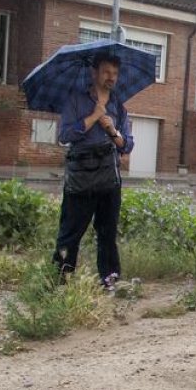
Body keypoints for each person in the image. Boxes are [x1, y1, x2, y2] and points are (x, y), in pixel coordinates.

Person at [52, 52, 133, 289]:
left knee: (107, 232)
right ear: (94, 72)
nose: (111, 77)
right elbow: (65, 136)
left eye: (115, 73)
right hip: (81, 176)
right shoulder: (76, 100)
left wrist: (111, 129)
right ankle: (60, 281)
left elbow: (127, 144)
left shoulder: (118, 105)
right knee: (70, 232)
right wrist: (93, 117)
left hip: (109, 175)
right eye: (107, 72)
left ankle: (109, 280)